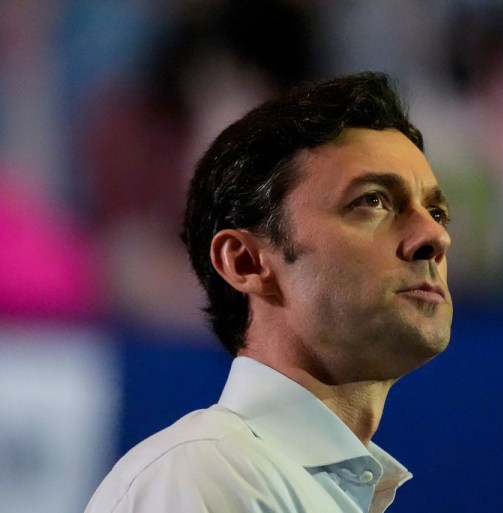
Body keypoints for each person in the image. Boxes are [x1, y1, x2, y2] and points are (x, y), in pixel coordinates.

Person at [84, 71, 453, 513]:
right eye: (372, 200)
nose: (434, 236)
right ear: (245, 261)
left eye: (435, 210)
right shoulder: (206, 475)